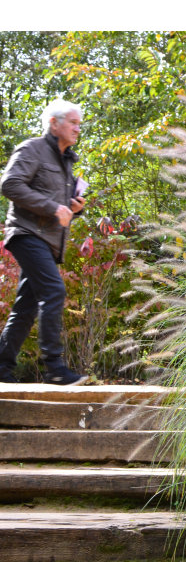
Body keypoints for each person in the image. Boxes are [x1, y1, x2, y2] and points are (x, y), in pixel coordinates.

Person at [0, 98, 88, 385]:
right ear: (54, 123)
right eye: (73, 122)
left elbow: (60, 207)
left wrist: (74, 207)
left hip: (48, 241)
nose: (78, 128)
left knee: (25, 307)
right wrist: (53, 207)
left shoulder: (66, 161)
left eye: (79, 123)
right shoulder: (32, 149)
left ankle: (1, 367)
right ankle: (54, 368)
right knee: (53, 291)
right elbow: (10, 185)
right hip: (26, 233)